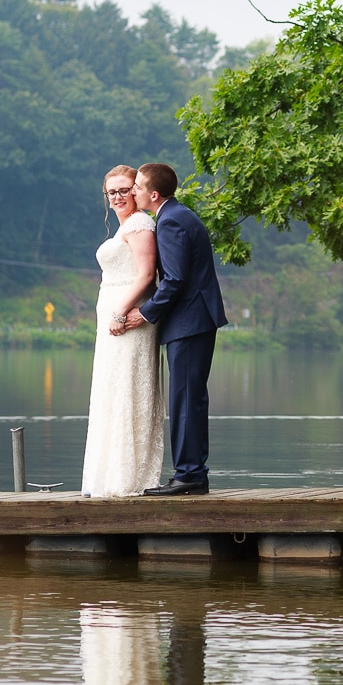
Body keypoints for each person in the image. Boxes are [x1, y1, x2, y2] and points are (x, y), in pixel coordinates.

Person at [124, 162, 227, 496]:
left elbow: (175, 280)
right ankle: (193, 473)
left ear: (153, 194)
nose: (132, 191)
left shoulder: (169, 222)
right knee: (190, 399)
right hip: (193, 321)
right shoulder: (178, 215)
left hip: (189, 322)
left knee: (185, 400)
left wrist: (146, 312)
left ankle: (189, 476)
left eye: (137, 187)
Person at [80, 165, 164, 498]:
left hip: (130, 321)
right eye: (111, 192)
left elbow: (145, 276)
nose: (118, 197)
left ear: (136, 190)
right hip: (113, 322)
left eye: (124, 190)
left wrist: (121, 311)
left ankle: (130, 479)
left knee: (128, 391)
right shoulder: (124, 227)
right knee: (111, 392)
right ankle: (107, 477)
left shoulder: (141, 223)